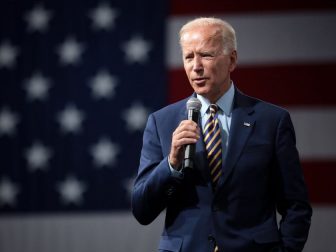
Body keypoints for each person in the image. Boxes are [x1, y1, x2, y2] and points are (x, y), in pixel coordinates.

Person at [132, 17, 312, 252]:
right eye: (189, 57)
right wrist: (171, 163)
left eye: (206, 55)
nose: (196, 66)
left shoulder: (272, 121)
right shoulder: (161, 122)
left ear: (232, 60)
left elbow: (296, 205)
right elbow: (142, 210)